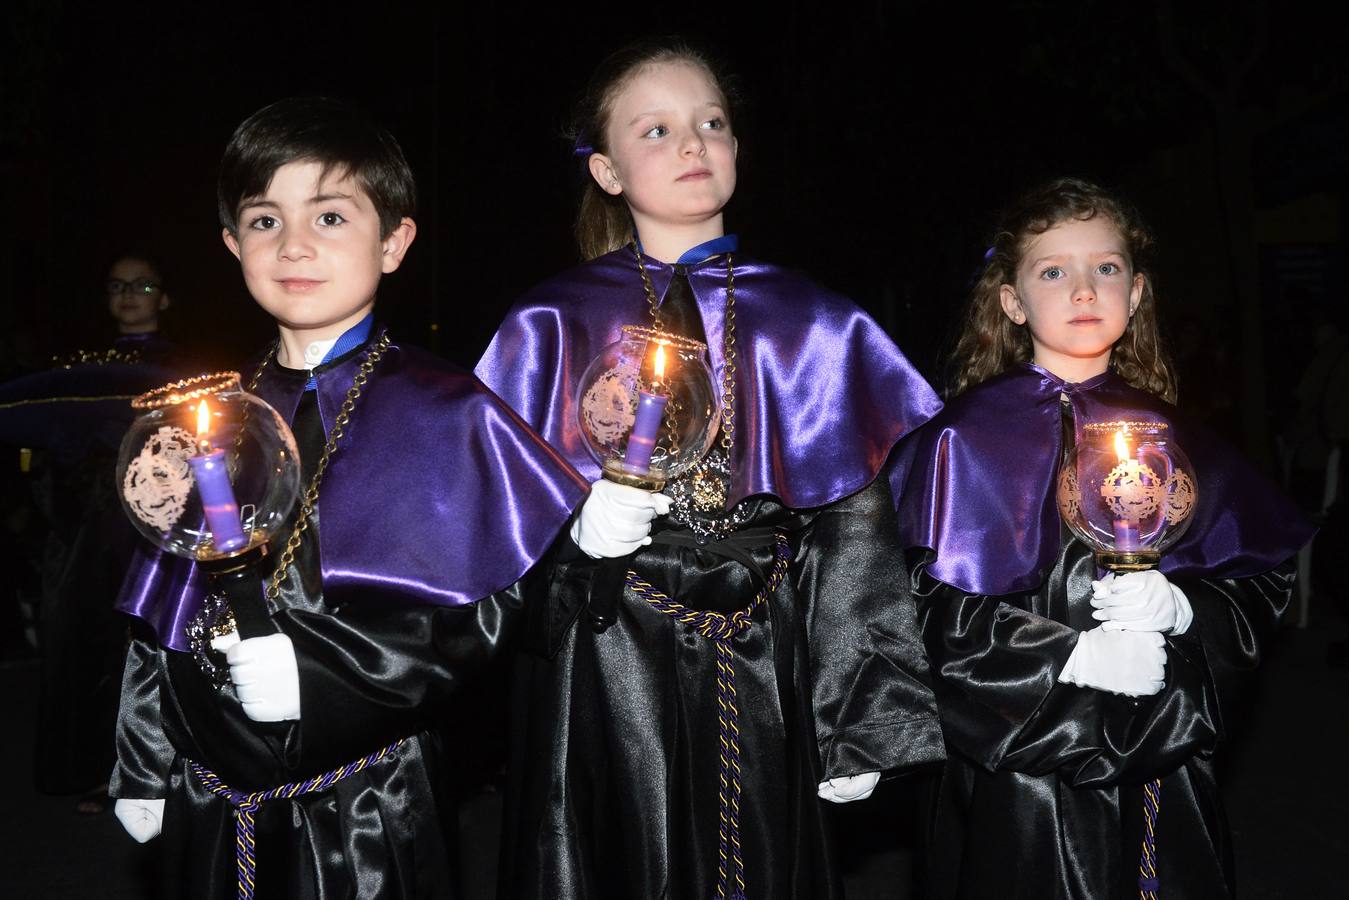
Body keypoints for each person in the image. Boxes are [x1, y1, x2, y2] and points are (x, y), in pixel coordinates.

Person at [476, 39, 945, 900]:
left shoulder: (814, 320)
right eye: (656, 129)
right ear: (607, 171)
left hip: (764, 657)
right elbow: (486, 520)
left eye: (712, 123)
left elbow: (852, 531)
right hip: (604, 654)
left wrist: (860, 718)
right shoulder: (551, 319)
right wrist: (570, 530)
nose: (693, 144)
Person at [108, 97, 587, 900]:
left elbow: (486, 613)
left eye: (330, 216)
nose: (293, 244)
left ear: (394, 241)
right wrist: (143, 757)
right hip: (211, 797)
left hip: (365, 800)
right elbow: (165, 598)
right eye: (264, 221)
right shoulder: (210, 417)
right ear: (232, 244)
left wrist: (326, 680)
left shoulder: (448, 410)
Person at [894, 177, 1313, 899]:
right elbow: (923, 614)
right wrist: (1071, 655)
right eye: (1053, 271)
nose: (1083, 289)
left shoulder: (1176, 436)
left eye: (1106, 268)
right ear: (1012, 302)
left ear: (1138, 292)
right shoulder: (964, 441)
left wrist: (1184, 612)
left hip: (1163, 764)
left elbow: (1254, 580)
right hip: (1025, 773)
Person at [0, 250, 185, 814]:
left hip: (147, 533)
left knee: (144, 649)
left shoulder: (188, 365)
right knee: (77, 648)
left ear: (165, 296)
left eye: (143, 284)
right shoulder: (73, 366)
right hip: (79, 532)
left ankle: (154, 773)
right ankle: (88, 769)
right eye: (117, 285)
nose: (129, 294)